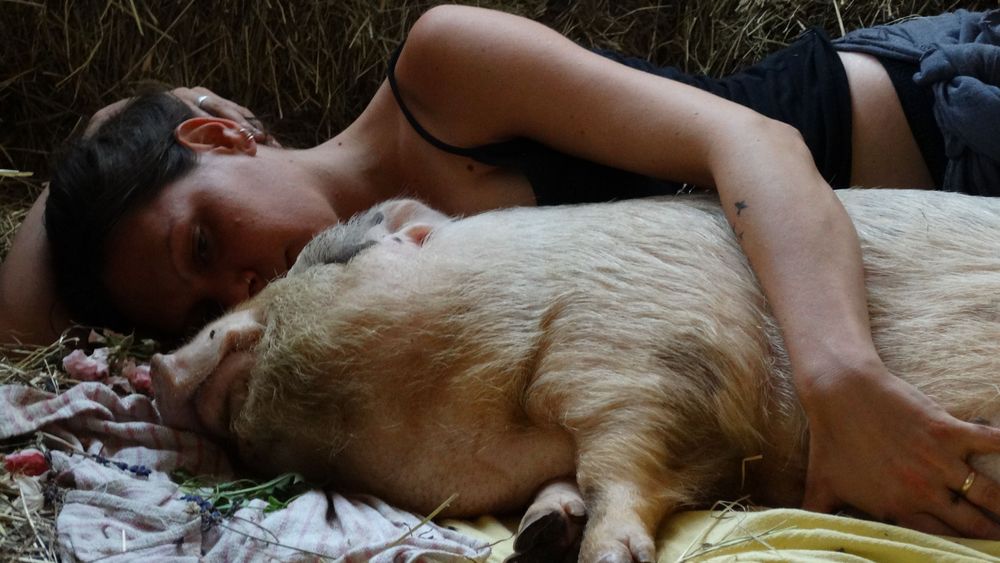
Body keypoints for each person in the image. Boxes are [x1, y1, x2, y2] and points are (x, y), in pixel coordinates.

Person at [3, 3, 1000, 542]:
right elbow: (15, 335)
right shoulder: (384, 349)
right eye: (207, 305)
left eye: (207, 242)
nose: (247, 285)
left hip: (945, 127)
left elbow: (758, 146)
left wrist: (839, 382)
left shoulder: (441, 74)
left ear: (220, 132)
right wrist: (71, 177)